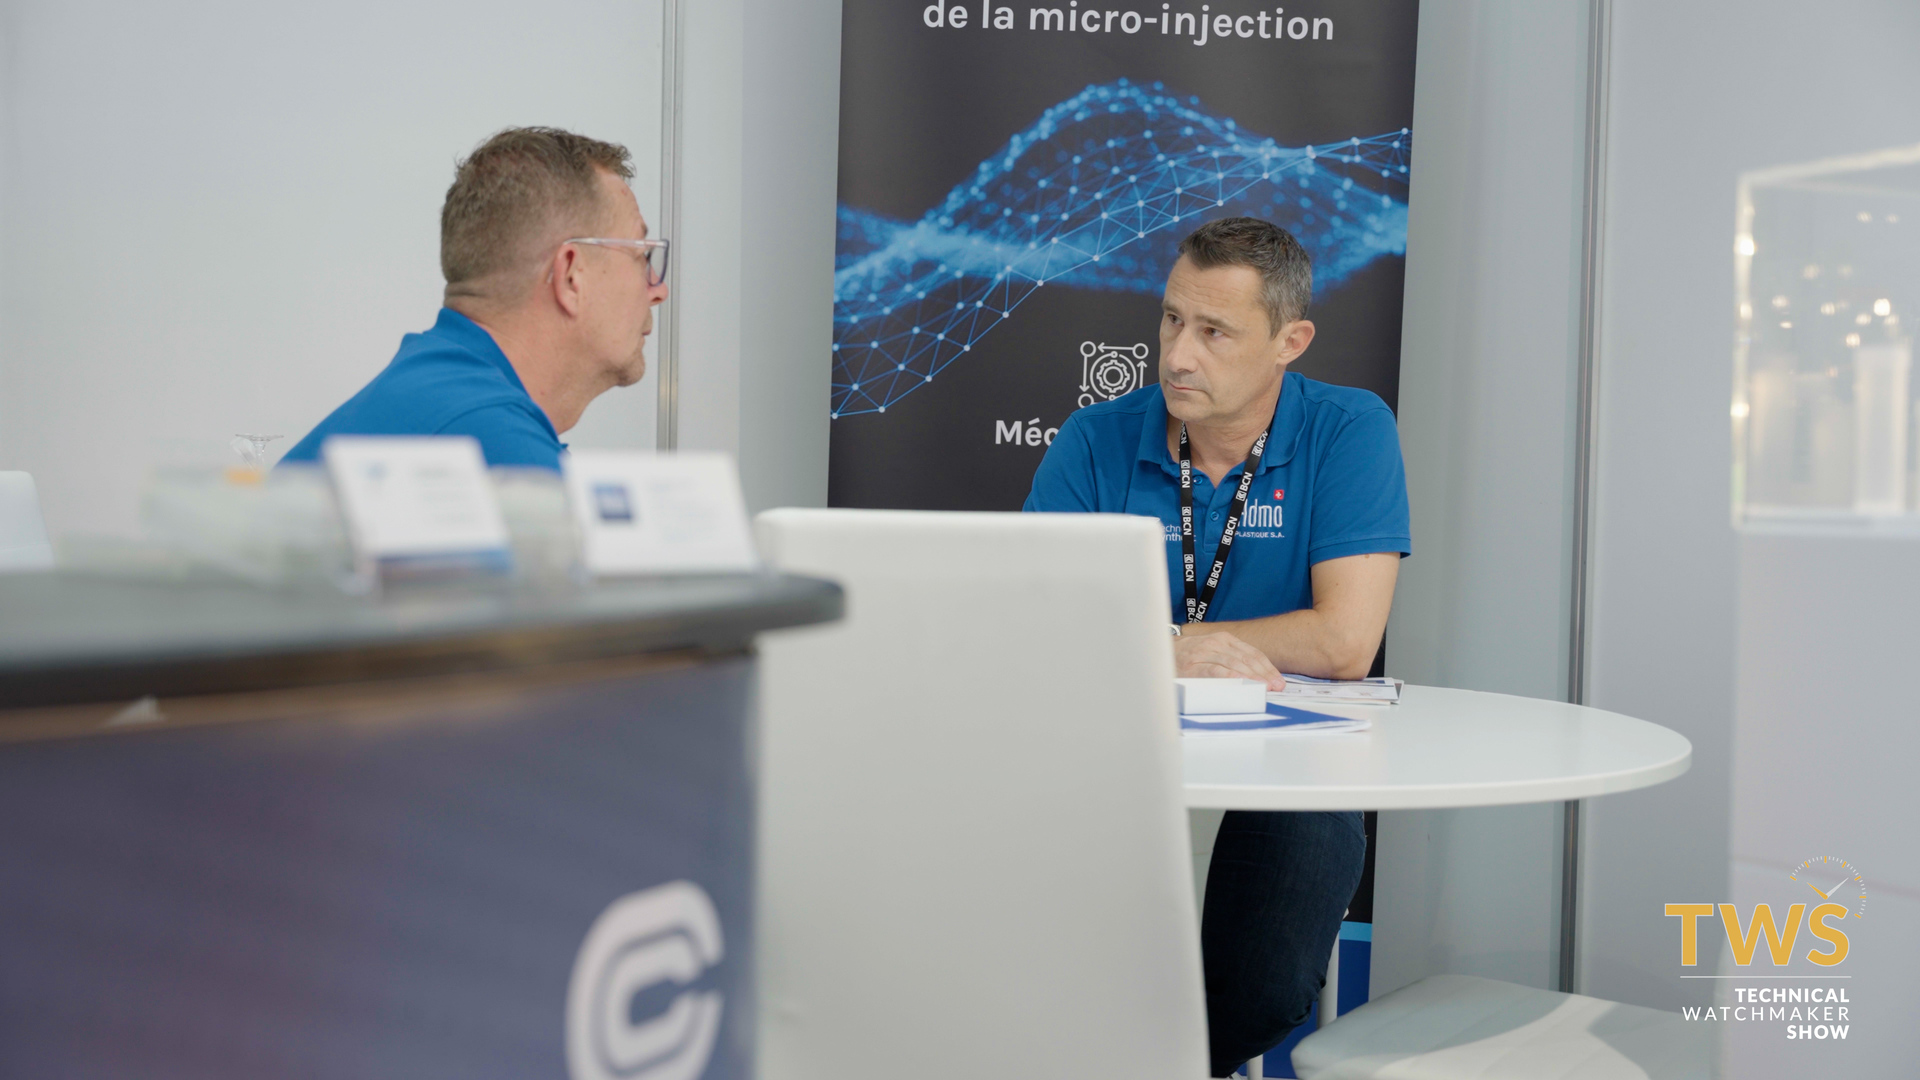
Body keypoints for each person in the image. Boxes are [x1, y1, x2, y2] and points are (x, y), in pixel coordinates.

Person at [1023, 217, 1409, 1077]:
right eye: (1171, 319)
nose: (1177, 356)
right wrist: (1161, 650)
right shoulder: (1096, 437)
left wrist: (1154, 639)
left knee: (1261, 987)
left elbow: (1345, 641)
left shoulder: (1348, 429)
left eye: (1214, 331)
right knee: (1040, 955)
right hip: (1109, 743)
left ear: (1289, 343)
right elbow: (1037, 624)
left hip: (1296, 755)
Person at [281, 127, 668, 470]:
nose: (658, 290)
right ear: (571, 275)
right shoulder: (494, 445)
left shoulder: (441, 396)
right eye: (641, 255)